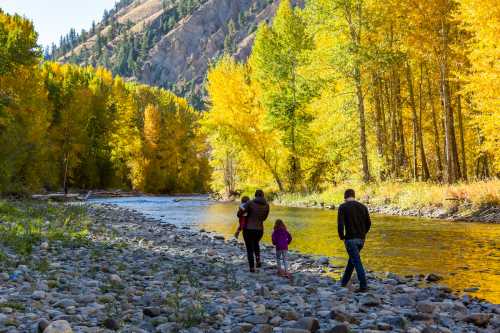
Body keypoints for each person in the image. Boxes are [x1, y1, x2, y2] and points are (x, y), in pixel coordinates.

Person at [337, 188, 371, 292]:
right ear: (354, 196)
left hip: (350, 239)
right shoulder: (363, 207)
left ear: (345, 197)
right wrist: (363, 233)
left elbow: (340, 224)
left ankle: (363, 286)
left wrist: (342, 236)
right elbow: (368, 223)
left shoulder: (343, 207)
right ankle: (343, 282)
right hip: (361, 239)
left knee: (356, 262)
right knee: (352, 261)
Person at [238, 189, 269, 272]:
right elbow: (264, 218)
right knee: (256, 244)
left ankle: (252, 267)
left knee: (249, 248)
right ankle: (258, 261)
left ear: (255, 195)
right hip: (260, 230)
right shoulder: (267, 205)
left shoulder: (250, 203)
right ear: (263, 196)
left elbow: (239, 214)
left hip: (248, 229)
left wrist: (244, 213)